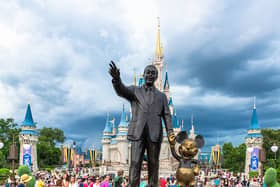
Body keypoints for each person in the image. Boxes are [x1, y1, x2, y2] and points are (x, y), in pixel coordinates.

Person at [109, 61, 175, 187]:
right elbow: (121, 91)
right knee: (135, 162)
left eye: (153, 73)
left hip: (154, 134)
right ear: (143, 75)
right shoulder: (135, 91)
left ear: (156, 77)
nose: (150, 75)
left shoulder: (161, 97)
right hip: (138, 133)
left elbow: (167, 114)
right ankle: (133, 185)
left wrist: (170, 131)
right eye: (148, 73)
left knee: (154, 163)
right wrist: (117, 80)